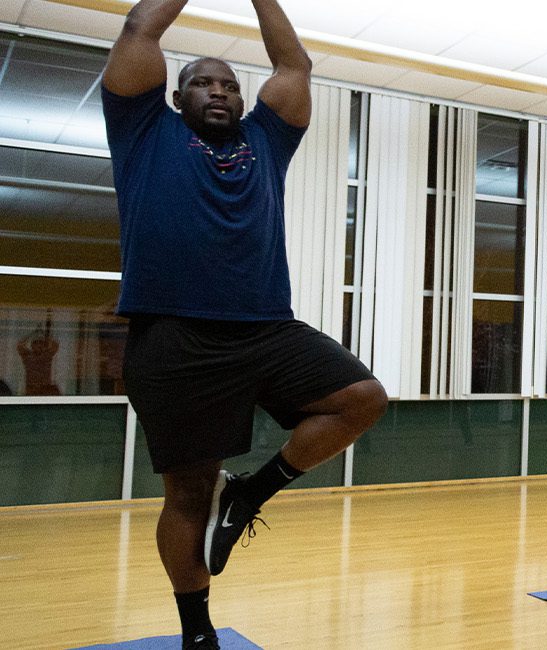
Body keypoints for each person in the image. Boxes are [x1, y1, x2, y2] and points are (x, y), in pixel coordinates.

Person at [102, 1, 388, 647]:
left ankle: (253, 492)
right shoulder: (144, 128)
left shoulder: (267, 138)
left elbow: (295, 64)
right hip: (174, 335)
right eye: (205, 81)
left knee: (361, 399)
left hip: (265, 327)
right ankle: (196, 629)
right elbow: (138, 29)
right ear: (177, 94)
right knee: (187, 492)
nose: (220, 91)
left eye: (230, 83)